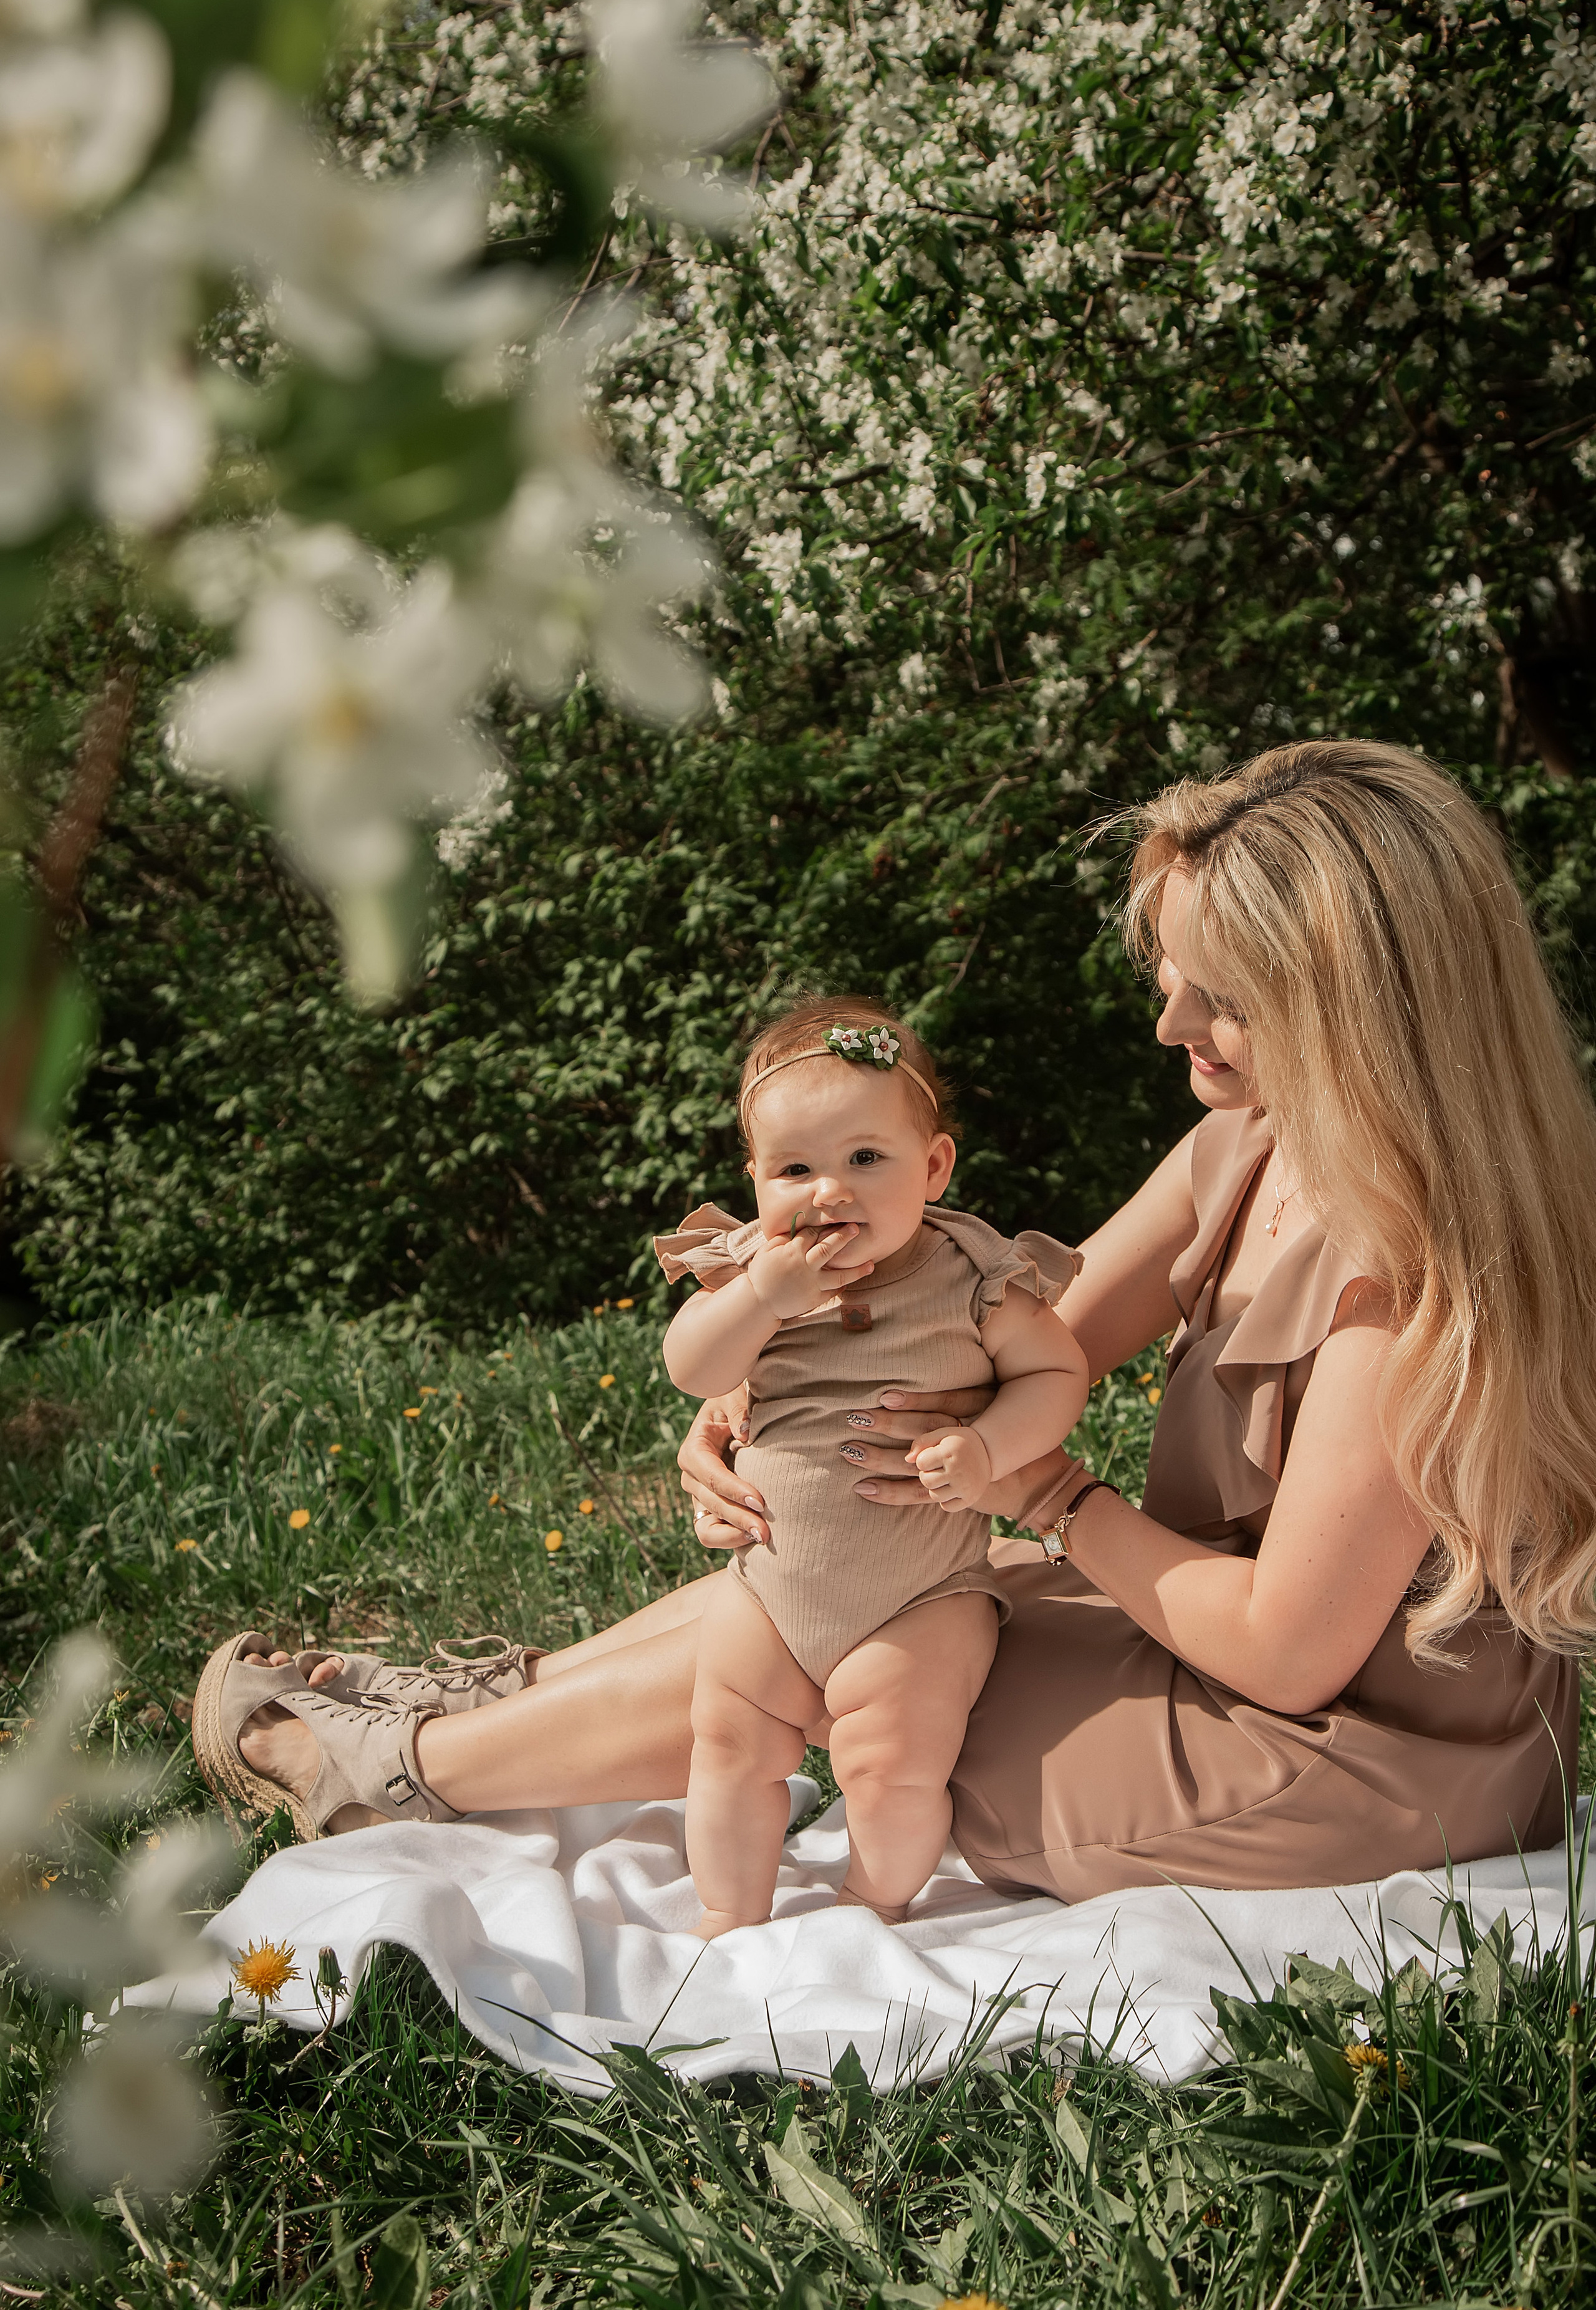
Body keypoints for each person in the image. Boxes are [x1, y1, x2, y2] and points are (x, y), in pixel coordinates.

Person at [192, 740, 1593, 1900]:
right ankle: (473, 1705)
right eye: (1165, 977)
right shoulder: (1252, 1138)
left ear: (1357, 1009)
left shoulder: (1411, 1272)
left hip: (1347, 1755)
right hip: (1193, 1629)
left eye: (1219, 999)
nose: (1169, 1027)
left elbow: (1294, 1649)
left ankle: (395, 1771)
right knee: (849, 1546)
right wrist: (754, 1398)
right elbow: (1021, 1336)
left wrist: (1047, 1489)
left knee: (878, 1675)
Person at [653, 999, 1087, 1933]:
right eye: (795, 1169)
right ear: (756, 1180)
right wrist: (763, 1297)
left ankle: (873, 1902)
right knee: (724, 1743)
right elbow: (693, 1367)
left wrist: (989, 1448)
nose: (827, 1193)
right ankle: (729, 1915)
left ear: (933, 1167)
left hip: (920, 1591)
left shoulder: (975, 1275)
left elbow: (1058, 1372)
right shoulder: (755, 1268)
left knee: (893, 1760)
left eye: (865, 1159)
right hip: (770, 1584)